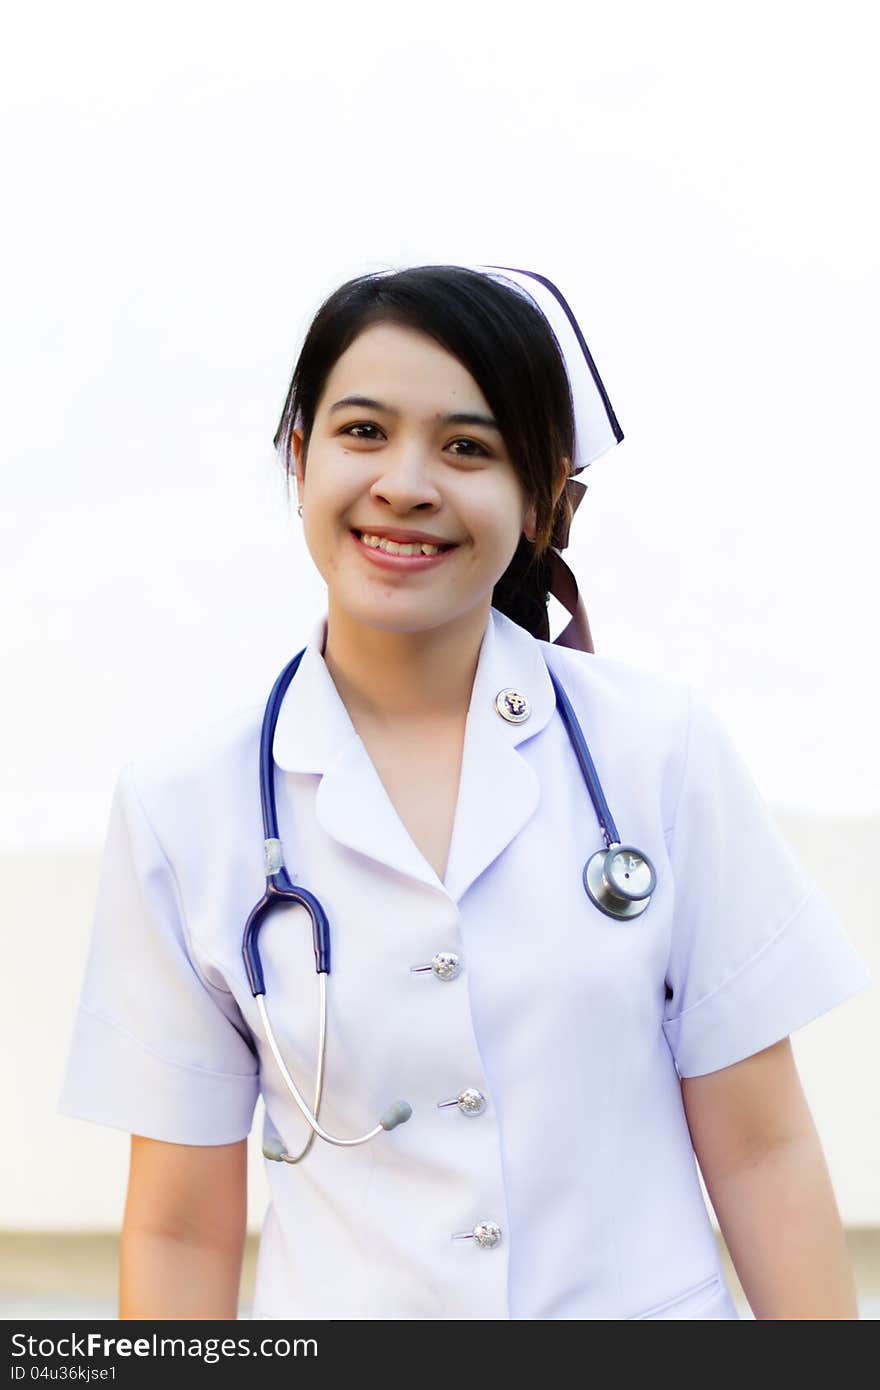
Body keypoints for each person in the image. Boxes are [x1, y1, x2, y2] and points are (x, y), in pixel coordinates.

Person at [58, 263, 872, 1321]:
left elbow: (763, 1153)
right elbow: (178, 1226)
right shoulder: (186, 806)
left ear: (540, 500)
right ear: (298, 459)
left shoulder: (655, 753)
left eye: (467, 447)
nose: (405, 482)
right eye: (361, 431)